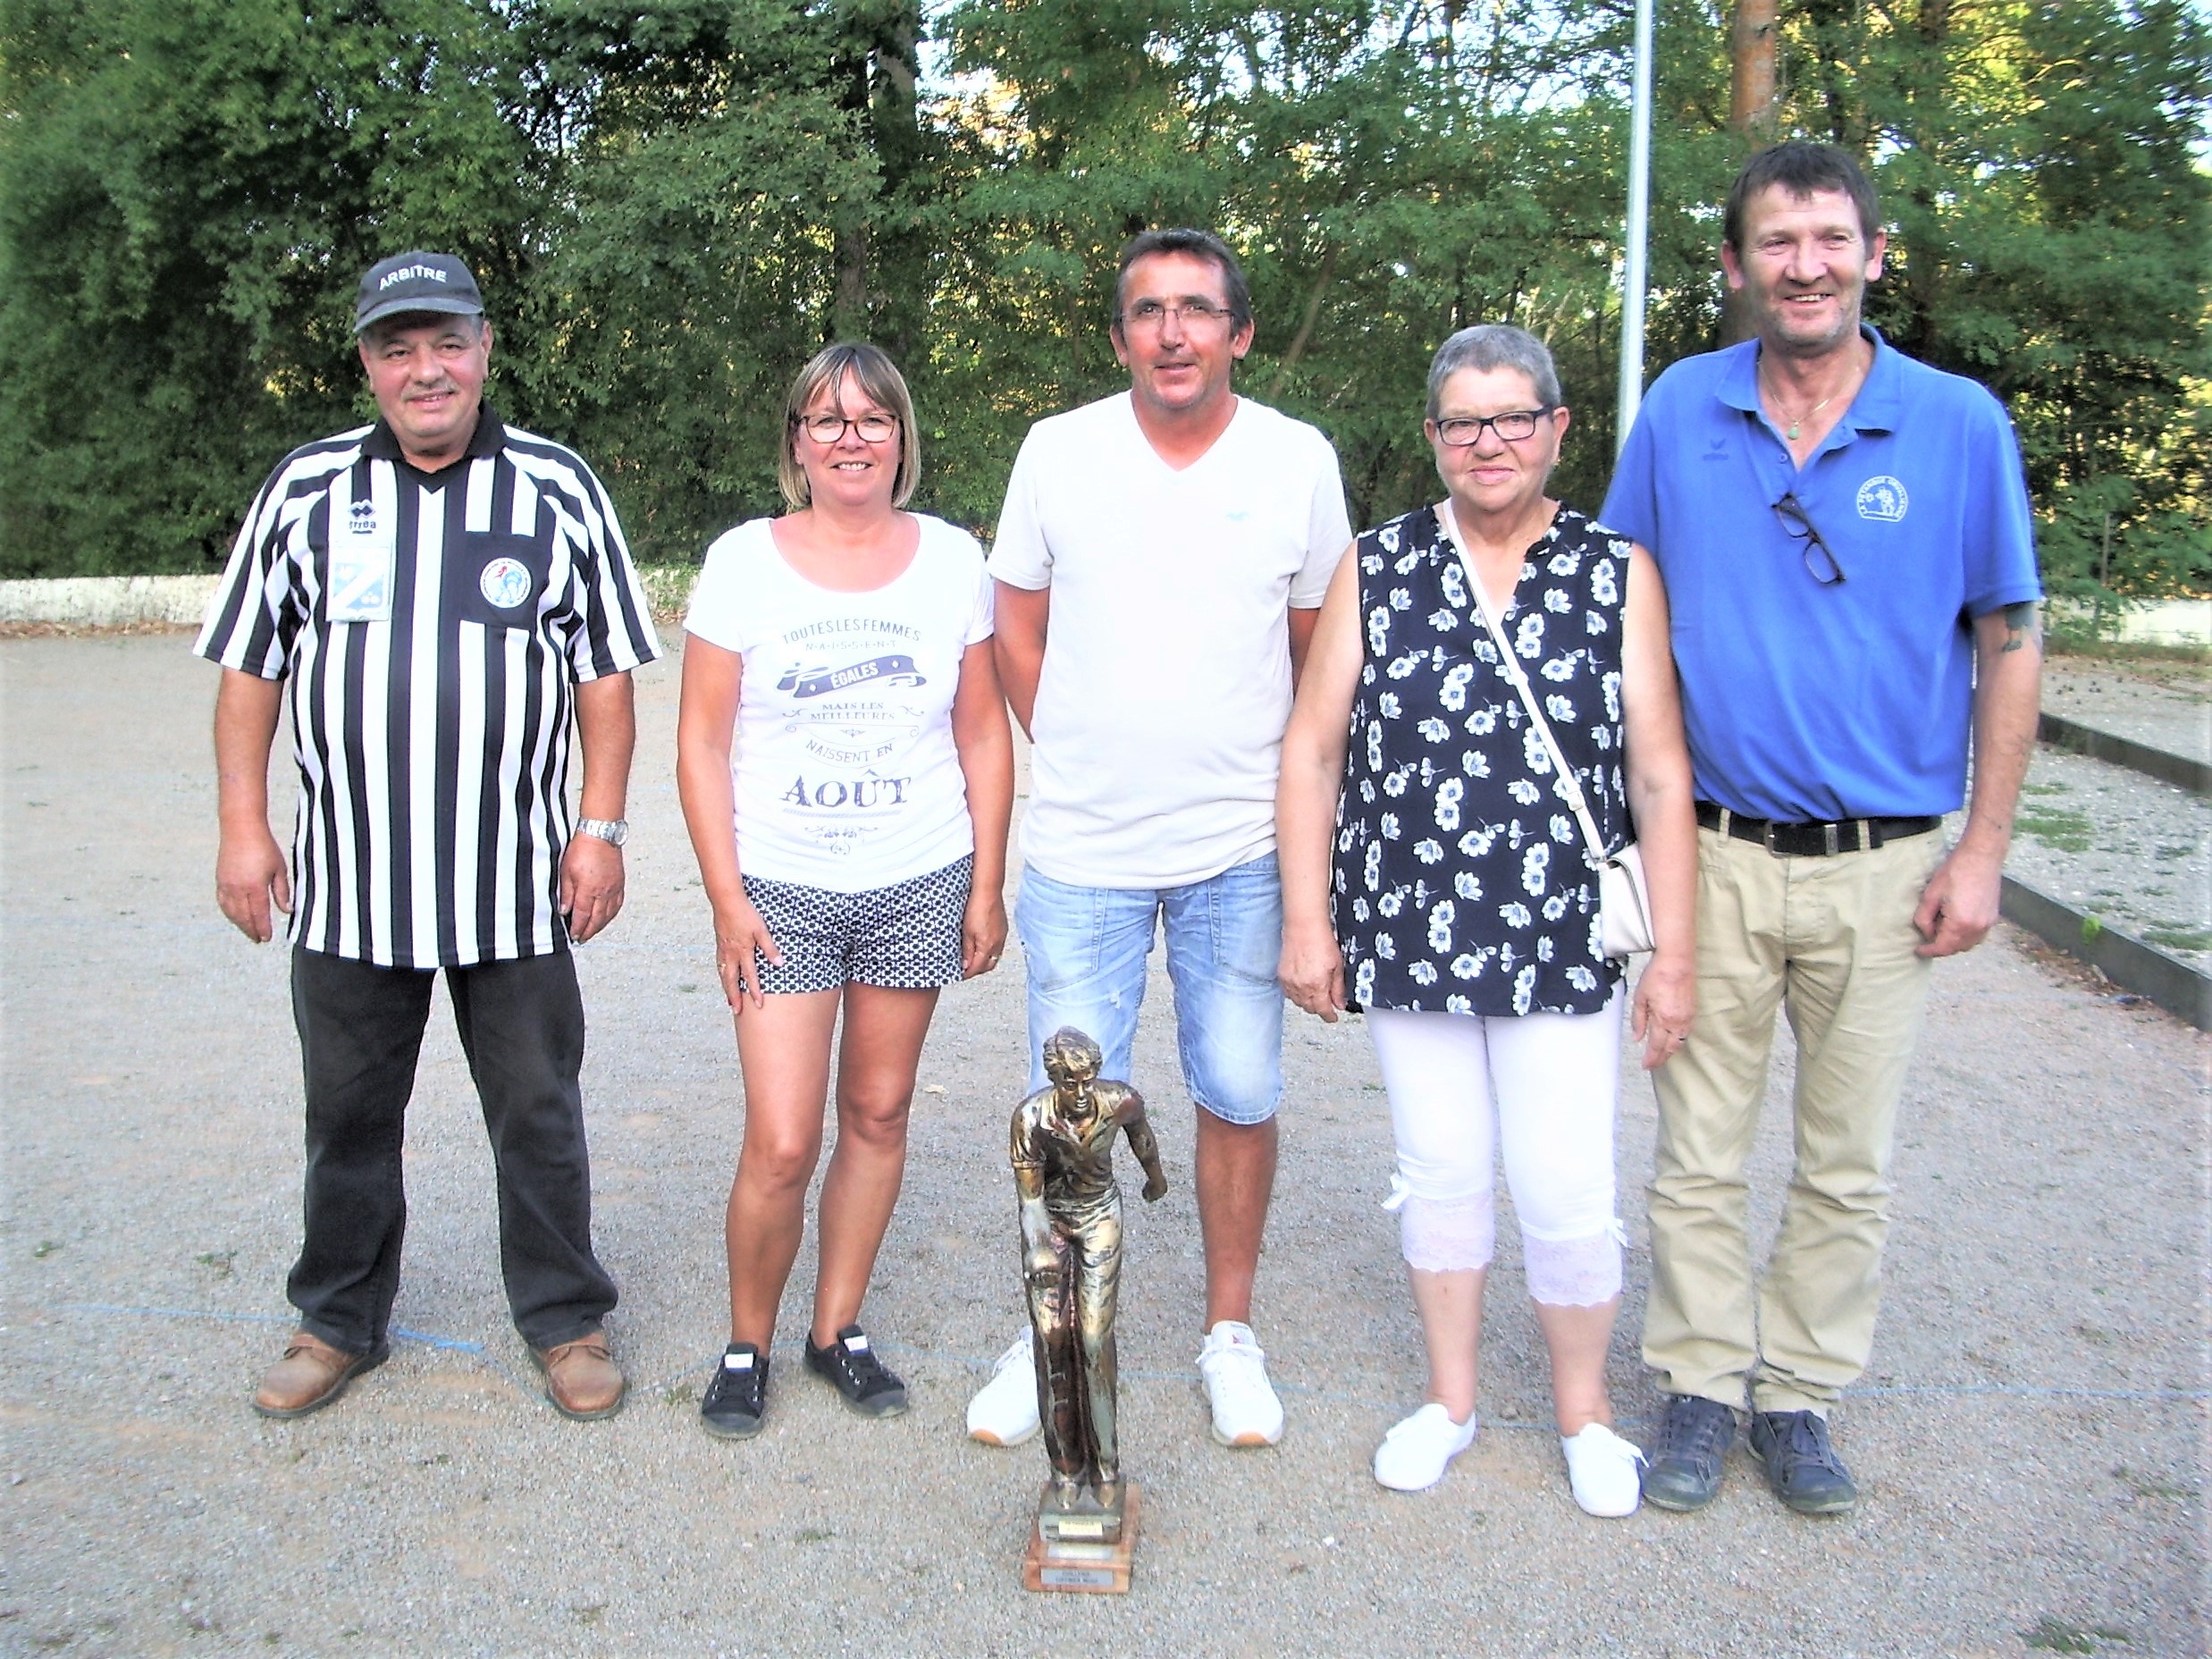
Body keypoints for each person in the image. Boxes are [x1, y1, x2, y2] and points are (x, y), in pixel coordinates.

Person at [1601, 141, 2043, 1515]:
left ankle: (1794, 1397)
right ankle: (1694, 1387)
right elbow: (1623, 612)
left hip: (1887, 860)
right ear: (1733, 265)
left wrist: (1980, 849)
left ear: (1871, 253)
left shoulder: (1956, 422)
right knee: (1696, 1149)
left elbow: (2010, 638)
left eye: (1828, 239)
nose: (1803, 264)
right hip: (1714, 851)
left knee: (1845, 1159)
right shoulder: (1679, 410)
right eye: (1775, 242)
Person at [198, 250, 662, 1421]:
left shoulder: (556, 488)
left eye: (444, 342)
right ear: (366, 363)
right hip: (353, 884)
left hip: (511, 881)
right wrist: (244, 826)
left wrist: (596, 828)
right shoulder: (306, 488)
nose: (425, 369)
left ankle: (564, 1319)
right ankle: (338, 1321)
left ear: (484, 345)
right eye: (396, 347)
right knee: (347, 1117)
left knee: (537, 1111)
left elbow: (606, 672)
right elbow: (252, 665)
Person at [1277, 324, 1698, 1512]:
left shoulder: (1617, 570)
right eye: (1462, 423)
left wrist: (1671, 956)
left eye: (1512, 417)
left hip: (1561, 933)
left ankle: (1583, 1411)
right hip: (1407, 921)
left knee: (1567, 1183)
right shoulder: (1380, 564)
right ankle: (1449, 1398)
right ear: (1432, 439)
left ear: (1557, 428)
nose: (1488, 442)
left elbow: (1660, 774)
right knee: (1440, 1170)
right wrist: (1307, 922)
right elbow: (1310, 752)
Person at [964, 228, 1353, 1453]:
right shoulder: (1056, 452)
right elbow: (1013, 627)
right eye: (1146, 311)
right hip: (1081, 850)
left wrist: (1297, 826)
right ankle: (1057, 1329)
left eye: (1195, 310)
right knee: (1066, 1112)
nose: (1170, 332)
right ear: (1120, 333)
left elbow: (1316, 655)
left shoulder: (1295, 460)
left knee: (1236, 1088)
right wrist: (1079, 743)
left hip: (1240, 846)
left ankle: (1226, 1333)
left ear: (1237, 330)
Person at [676, 341, 1013, 1439]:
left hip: (916, 871)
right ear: (797, 443)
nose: (851, 436)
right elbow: (700, 742)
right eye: (827, 419)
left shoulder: (955, 558)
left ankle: (837, 1329)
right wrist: (728, 897)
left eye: (872, 418)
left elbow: (980, 728)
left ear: (902, 437)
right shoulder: (743, 561)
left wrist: (986, 878)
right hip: (782, 882)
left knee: (876, 1110)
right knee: (781, 1136)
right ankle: (746, 1340)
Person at [1013, 1027, 1169, 1519]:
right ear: (1054, 1079)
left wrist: (1155, 1179)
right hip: (1051, 1222)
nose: (1080, 1093)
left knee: (1096, 1337)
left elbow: (1143, 1138)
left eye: (1087, 1080)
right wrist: (1040, 1249)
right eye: (1068, 1083)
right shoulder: (1031, 1118)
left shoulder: (1119, 1101)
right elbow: (1031, 1198)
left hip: (1100, 1215)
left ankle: (1106, 1466)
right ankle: (1065, 1467)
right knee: (1052, 1335)